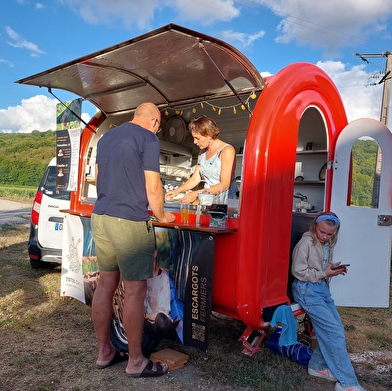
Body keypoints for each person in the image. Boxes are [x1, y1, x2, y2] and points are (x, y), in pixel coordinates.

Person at [91, 102, 176, 378]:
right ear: (154, 122)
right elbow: (153, 186)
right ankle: (136, 361)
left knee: (105, 284)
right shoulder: (148, 138)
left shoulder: (106, 137)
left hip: (101, 218)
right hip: (128, 222)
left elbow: (97, 178)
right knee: (134, 292)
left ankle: (105, 351)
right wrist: (163, 215)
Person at [291, 212, 367, 391]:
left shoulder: (329, 243)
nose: (325, 237)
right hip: (306, 290)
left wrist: (332, 269)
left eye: (329, 234)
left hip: (321, 288)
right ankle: (347, 383)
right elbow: (298, 271)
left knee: (336, 330)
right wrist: (324, 274)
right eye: (322, 232)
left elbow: (320, 267)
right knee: (333, 333)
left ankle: (317, 367)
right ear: (315, 227)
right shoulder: (305, 243)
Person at [165, 115, 237, 203]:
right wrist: (178, 190)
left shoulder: (227, 151)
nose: (194, 142)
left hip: (225, 204)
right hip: (207, 201)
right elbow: (196, 178)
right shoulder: (202, 152)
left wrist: (196, 194)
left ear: (210, 135)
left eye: (197, 138)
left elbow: (224, 185)